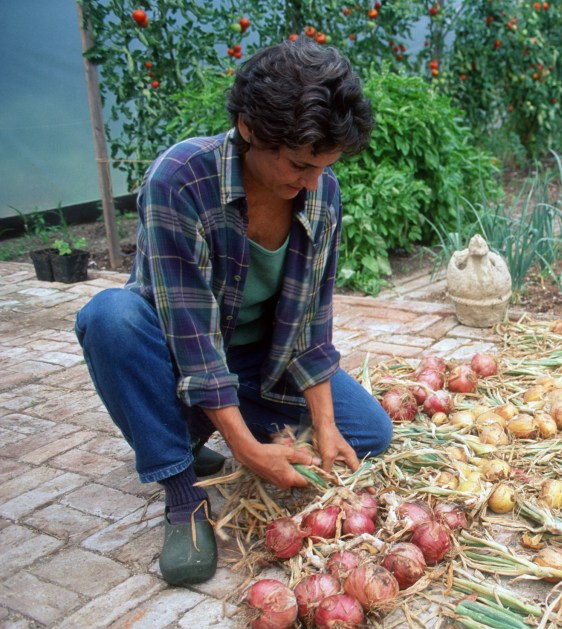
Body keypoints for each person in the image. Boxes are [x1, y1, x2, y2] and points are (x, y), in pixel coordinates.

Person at [74, 37, 392, 586]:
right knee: (110, 318)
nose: (312, 182)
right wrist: (246, 450)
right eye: (299, 165)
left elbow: (313, 322)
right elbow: (193, 339)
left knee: (369, 433)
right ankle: (183, 494)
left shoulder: (321, 192)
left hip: (259, 360)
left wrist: (324, 424)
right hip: (175, 350)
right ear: (249, 128)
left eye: (325, 167)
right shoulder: (182, 179)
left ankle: (183, 435)